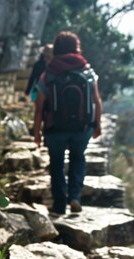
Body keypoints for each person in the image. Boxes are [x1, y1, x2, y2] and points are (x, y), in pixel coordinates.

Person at [33, 31, 102, 215]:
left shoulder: (48, 73)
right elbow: (96, 100)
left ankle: (59, 204)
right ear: (76, 47)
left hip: (54, 128)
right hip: (82, 127)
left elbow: (39, 106)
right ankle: (75, 198)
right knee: (78, 158)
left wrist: (36, 132)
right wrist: (97, 124)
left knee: (56, 163)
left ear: (56, 48)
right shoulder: (87, 71)